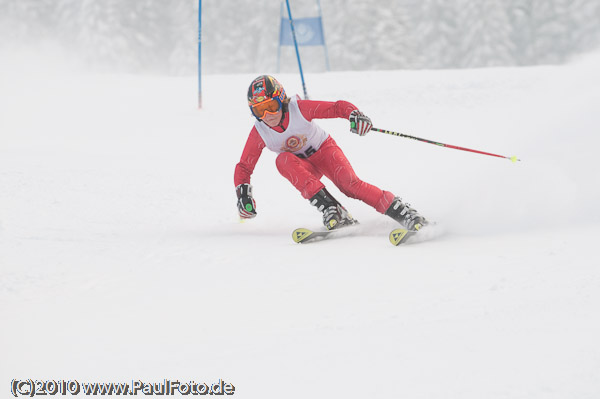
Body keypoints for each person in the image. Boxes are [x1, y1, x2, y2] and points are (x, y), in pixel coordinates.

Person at [234, 75, 427, 231]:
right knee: (282, 160)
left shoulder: (299, 109)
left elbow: (336, 107)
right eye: (260, 111)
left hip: (325, 152)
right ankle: (332, 209)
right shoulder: (260, 132)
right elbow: (244, 166)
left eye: (271, 107)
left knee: (350, 185)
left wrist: (355, 115)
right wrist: (243, 195)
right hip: (304, 167)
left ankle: (404, 212)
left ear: (282, 100)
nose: (268, 116)